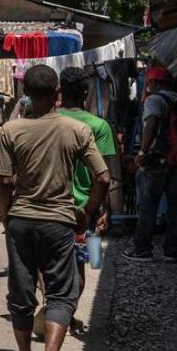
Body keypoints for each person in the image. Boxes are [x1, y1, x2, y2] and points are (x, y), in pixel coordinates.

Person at [0, 65, 109, 351]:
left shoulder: (11, 130)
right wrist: (87, 212)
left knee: (21, 289)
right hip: (59, 221)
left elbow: (4, 182)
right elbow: (103, 177)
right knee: (61, 291)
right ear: (57, 93)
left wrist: (5, 217)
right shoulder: (77, 130)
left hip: (21, 219)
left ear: (25, 92)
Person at [57, 67, 118, 290]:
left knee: (50, 265)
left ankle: (51, 310)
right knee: (78, 265)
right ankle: (67, 316)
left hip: (49, 206)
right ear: (86, 92)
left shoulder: (45, 121)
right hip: (84, 208)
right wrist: (102, 210)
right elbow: (104, 176)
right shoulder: (99, 126)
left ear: (60, 90)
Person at [126, 67, 177, 263]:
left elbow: (152, 125)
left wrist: (142, 152)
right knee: (176, 205)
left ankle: (142, 249)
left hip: (158, 160)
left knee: (148, 204)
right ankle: (171, 251)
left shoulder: (154, 100)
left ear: (153, 83)